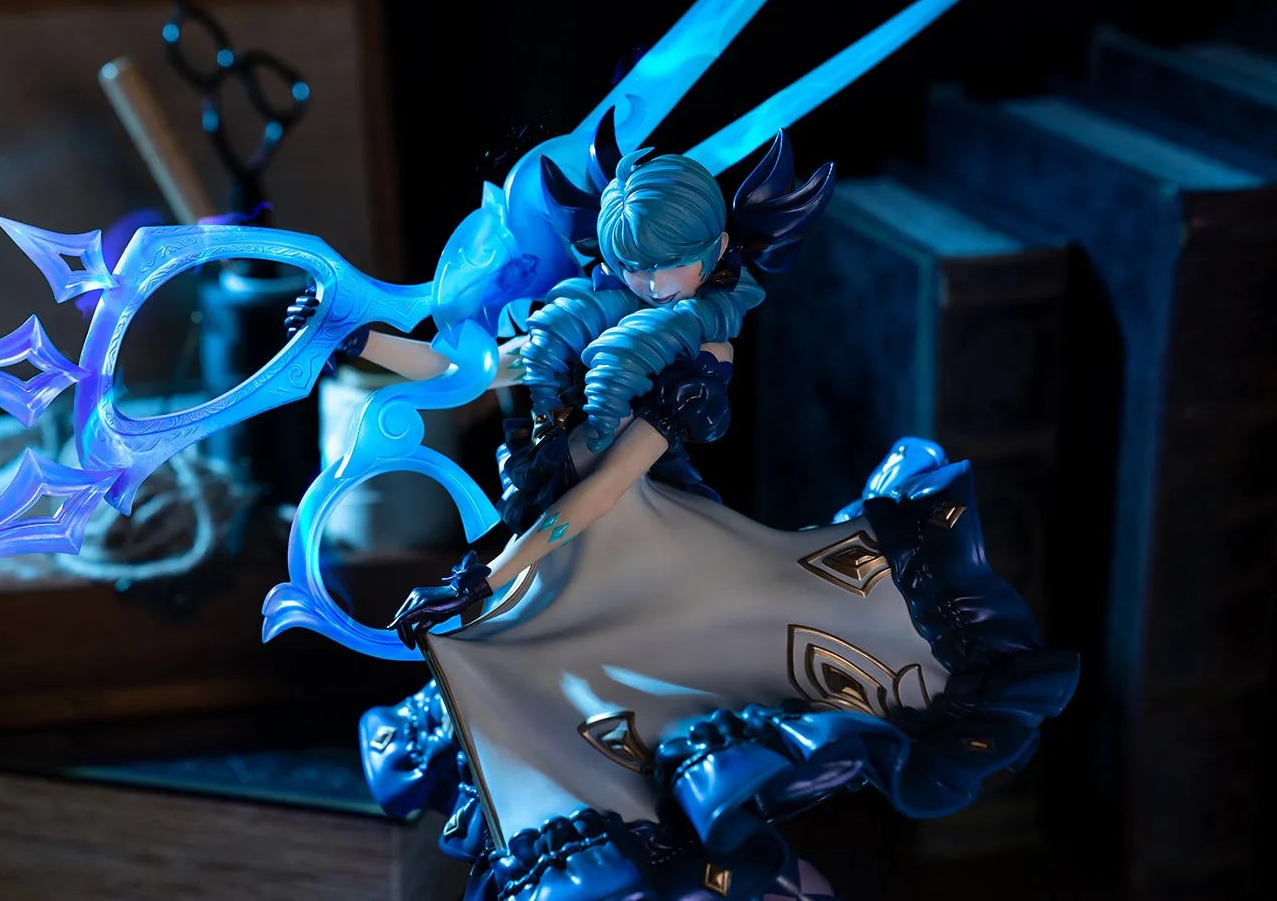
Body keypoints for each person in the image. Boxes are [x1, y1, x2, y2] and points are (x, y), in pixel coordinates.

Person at [287, 129, 1078, 901]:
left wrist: (488, 578)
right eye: (635, 264)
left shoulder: (699, 350)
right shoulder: (578, 319)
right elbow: (467, 369)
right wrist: (355, 339)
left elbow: (604, 490)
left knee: (641, 722)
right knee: (544, 711)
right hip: (565, 559)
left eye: (670, 264)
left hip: (639, 553)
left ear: (717, 247)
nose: (653, 282)